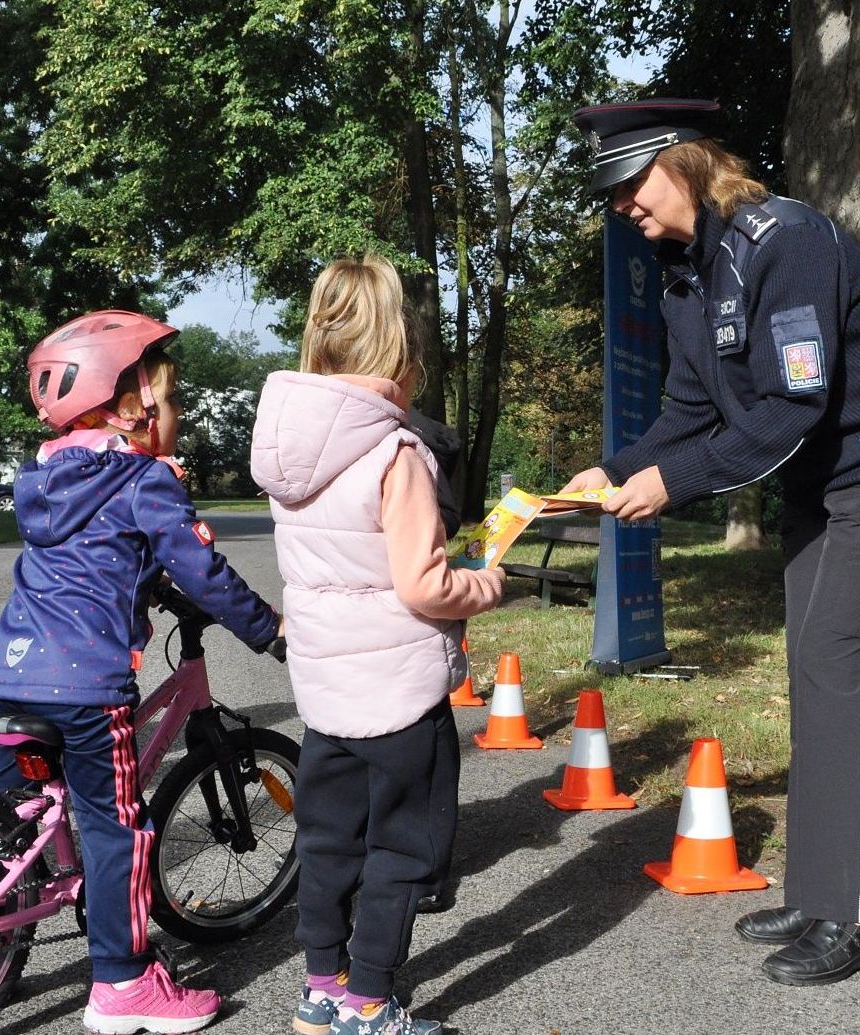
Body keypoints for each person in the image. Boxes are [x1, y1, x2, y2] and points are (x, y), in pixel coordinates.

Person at [565, 99, 860, 987]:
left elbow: (792, 404)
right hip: (822, 477)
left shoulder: (788, 241)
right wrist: (614, 469)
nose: (622, 204)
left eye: (631, 183)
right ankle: (822, 888)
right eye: (612, 194)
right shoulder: (682, 275)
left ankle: (859, 915)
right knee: (817, 665)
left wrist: (671, 484)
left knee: (840, 657)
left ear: (687, 161)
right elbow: (692, 411)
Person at [0, 310, 283, 1034]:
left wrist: (145, 581)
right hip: (85, 691)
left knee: (8, 830)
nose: (178, 413)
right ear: (132, 409)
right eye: (174, 398)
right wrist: (270, 629)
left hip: (7, 674)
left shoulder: (50, 478)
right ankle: (122, 984)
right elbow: (202, 569)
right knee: (120, 827)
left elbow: (97, 557)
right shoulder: (142, 478)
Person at [251, 254, 505, 1034]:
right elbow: (423, 585)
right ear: (399, 348)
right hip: (399, 689)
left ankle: (320, 988)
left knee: (328, 840)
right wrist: (486, 583)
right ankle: (369, 1001)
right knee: (404, 848)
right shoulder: (396, 454)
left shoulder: (288, 453)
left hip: (326, 691)